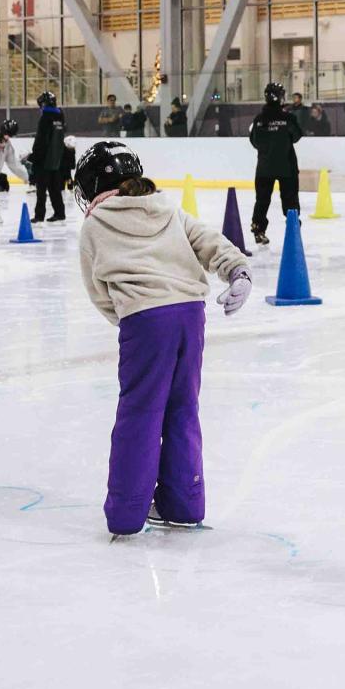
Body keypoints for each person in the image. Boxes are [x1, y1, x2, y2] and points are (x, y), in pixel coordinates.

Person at [73, 141, 252, 536]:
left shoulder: (95, 224)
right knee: (182, 408)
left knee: (140, 414)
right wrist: (238, 271)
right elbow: (208, 241)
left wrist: (128, 316)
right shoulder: (166, 207)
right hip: (191, 314)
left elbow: (97, 290)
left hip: (144, 320)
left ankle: (127, 511)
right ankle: (184, 504)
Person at [247, 82, 303, 246]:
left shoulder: (258, 120)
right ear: (280, 98)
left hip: (264, 167)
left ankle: (258, 229)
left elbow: (254, 141)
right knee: (290, 198)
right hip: (287, 165)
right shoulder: (288, 118)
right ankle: (293, 227)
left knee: (262, 199)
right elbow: (297, 136)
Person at [28, 92, 71, 222]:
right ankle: (60, 212)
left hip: (44, 160)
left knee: (41, 190)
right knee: (54, 188)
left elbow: (41, 140)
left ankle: (39, 215)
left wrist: (34, 157)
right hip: (57, 159)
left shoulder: (45, 118)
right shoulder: (60, 117)